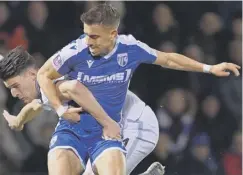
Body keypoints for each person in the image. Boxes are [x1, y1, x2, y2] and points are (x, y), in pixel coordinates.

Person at [36, 3, 240, 175]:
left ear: (113, 34)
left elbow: (168, 59)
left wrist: (209, 68)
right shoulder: (75, 50)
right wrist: (60, 109)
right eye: (86, 34)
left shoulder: (130, 48)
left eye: (95, 36)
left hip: (108, 133)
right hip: (73, 130)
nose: (88, 41)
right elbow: (43, 75)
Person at [0, 48, 164, 175]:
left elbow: (73, 88)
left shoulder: (54, 85)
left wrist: (107, 123)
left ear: (31, 75)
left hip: (136, 124)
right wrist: (19, 121)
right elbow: (36, 105)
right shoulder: (46, 82)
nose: (14, 94)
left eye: (15, 86)